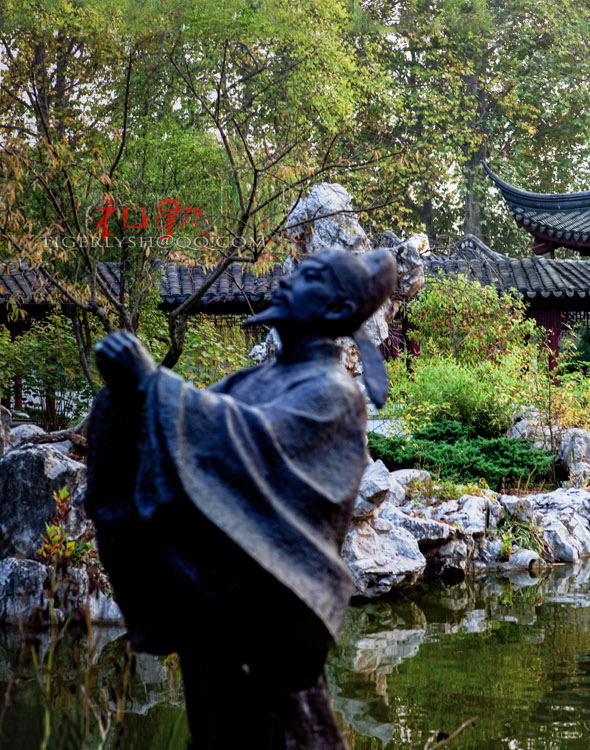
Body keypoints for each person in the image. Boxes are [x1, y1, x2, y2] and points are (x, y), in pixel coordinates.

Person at [85, 249, 396, 746]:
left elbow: (246, 440)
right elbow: (190, 437)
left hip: (267, 603)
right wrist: (129, 399)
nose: (289, 280)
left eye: (310, 277)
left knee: (282, 728)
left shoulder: (334, 392)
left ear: (338, 311)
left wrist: (153, 384)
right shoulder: (252, 380)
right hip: (214, 596)